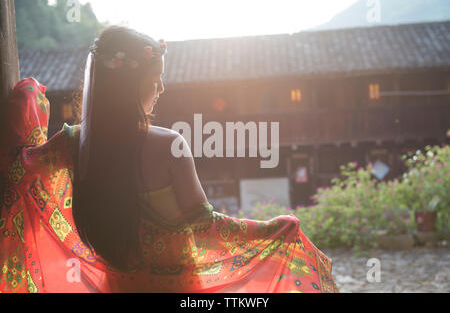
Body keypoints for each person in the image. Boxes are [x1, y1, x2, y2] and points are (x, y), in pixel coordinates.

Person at [0, 26, 338, 293]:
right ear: (129, 87)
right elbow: (207, 226)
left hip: (118, 286)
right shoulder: (170, 145)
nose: (161, 88)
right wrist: (269, 229)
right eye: (155, 80)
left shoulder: (72, 145)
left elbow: (20, 166)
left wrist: (27, 102)